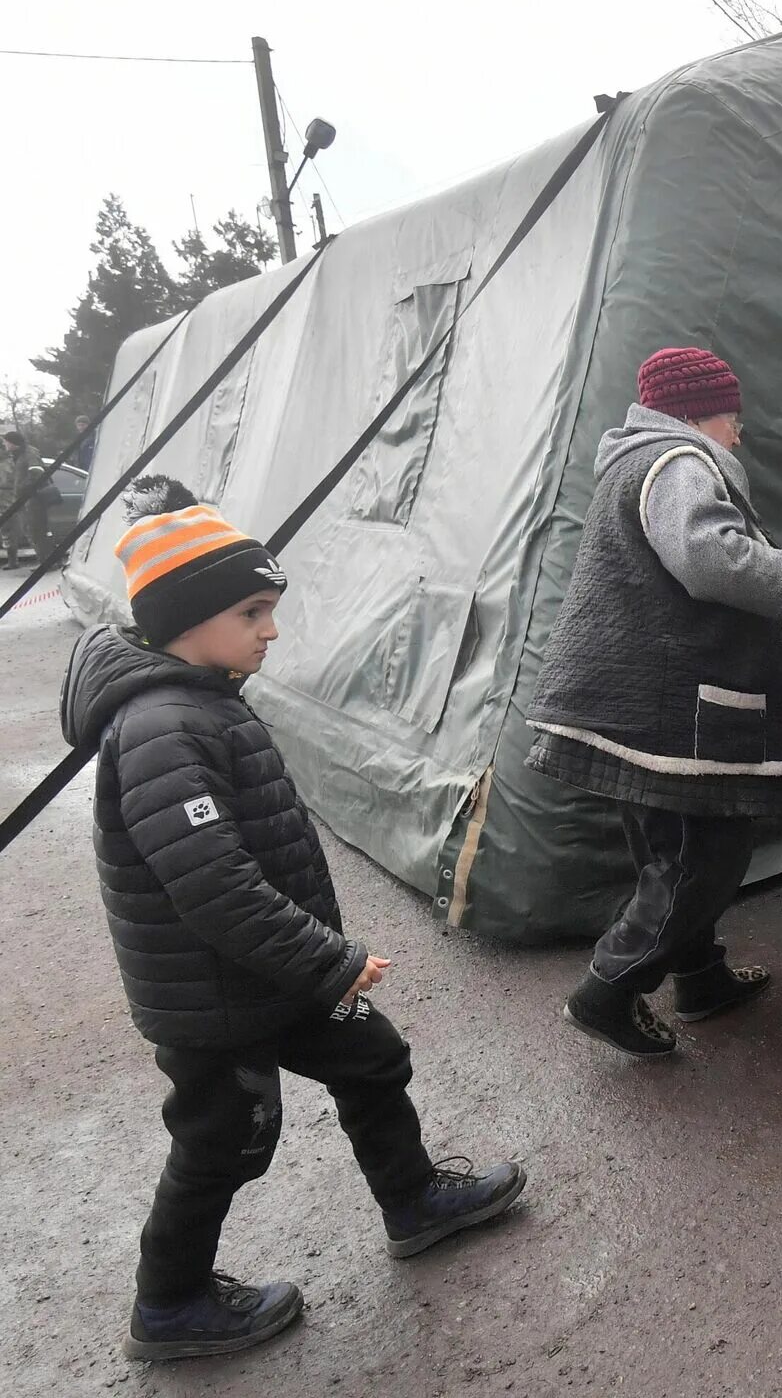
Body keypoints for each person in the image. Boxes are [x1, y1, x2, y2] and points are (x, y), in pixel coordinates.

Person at [60, 477, 525, 1363]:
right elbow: (214, 884)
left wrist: (313, 963)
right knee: (224, 1139)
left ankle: (415, 1200)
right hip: (219, 992)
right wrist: (327, 958)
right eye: (254, 610)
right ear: (187, 620)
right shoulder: (163, 724)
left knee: (374, 1057)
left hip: (275, 971)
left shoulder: (204, 697)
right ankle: (170, 1303)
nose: (271, 628)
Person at [527, 347, 782, 1059]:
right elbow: (712, 560)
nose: (738, 435)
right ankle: (607, 988)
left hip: (635, 708)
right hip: (667, 715)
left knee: (671, 856)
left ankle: (701, 979)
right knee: (702, 858)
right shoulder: (678, 462)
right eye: (734, 421)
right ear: (701, 414)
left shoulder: (633, 458)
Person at [2, 429, 53, 567]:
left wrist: (24, 489)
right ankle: (45, 560)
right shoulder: (17, 455)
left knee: (37, 530)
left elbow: (36, 472)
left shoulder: (29, 453)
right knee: (31, 530)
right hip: (25, 500)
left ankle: (47, 562)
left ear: (13, 443)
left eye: (6, 442)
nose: (4, 444)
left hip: (34, 499)